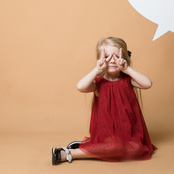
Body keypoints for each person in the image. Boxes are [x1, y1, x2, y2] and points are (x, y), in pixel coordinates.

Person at [52, 37, 157, 165]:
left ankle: (88, 146)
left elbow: (148, 84)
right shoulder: (98, 83)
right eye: (107, 56)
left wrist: (126, 69)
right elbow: (80, 86)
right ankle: (70, 153)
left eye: (116, 56)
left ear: (124, 58)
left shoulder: (128, 80)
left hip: (129, 135)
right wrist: (97, 70)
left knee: (137, 150)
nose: (112, 60)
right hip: (107, 134)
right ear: (100, 59)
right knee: (115, 147)